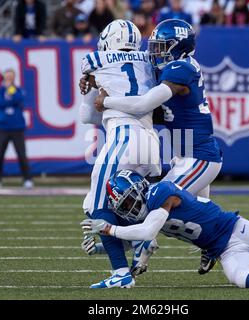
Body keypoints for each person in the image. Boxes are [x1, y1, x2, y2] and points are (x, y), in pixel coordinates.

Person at [94, 20, 223, 274]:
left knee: (158, 204)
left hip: (198, 156)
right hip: (185, 155)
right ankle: (211, 243)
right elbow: (157, 112)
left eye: (161, 46)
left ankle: (141, 249)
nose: (155, 52)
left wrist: (108, 101)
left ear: (179, 47)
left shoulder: (180, 68)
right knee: (195, 211)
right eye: (153, 46)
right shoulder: (175, 69)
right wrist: (91, 79)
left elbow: (143, 104)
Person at [82, 169, 249, 288]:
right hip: (223, 250)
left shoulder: (161, 192)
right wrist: (102, 248)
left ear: (140, 187)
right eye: (123, 204)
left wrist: (109, 230)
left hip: (239, 230)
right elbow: (138, 240)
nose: (128, 207)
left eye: (129, 198)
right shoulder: (145, 214)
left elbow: (146, 233)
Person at [78, 19, 161, 289]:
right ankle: (139, 239)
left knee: (97, 205)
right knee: (133, 204)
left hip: (123, 136)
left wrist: (90, 87)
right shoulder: (150, 59)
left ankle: (121, 273)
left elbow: (86, 115)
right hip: (151, 142)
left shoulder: (95, 59)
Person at [0, 69, 33, 189]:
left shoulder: (17, 89)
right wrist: (8, 98)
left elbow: (18, 100)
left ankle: (27, 178)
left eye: (11, 77)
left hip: (17, 127)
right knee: (0, 154)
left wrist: (10, 90)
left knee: (21, 154)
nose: (8, 79)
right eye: (7, 77)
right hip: (3, 127)